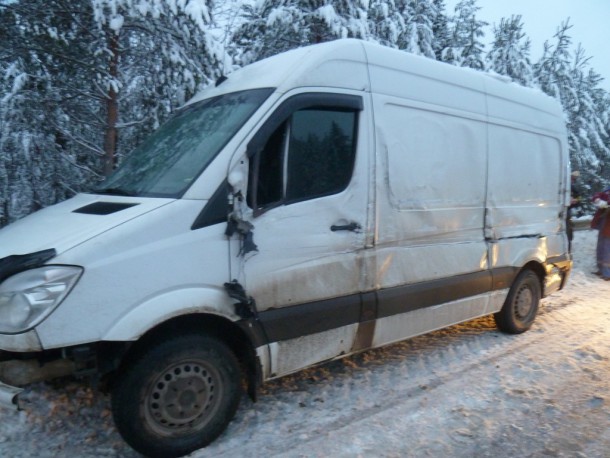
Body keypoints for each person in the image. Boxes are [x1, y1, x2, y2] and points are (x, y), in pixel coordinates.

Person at [591, 188, 610, 280]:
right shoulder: (607, 191)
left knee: (607, 249)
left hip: (608, 226)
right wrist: (598, 199)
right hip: (603, 223)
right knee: (600, 246)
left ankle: (607, 273)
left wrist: (607, 204)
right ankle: (600, 269)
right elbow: (597, 194)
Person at [567, 171, 582, 251]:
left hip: (567, 211)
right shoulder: (564, 184)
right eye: (572, 178)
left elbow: (579, 198)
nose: (572, 180)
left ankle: (568, 249)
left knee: (568, 231)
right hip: (563, 211)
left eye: (574, 179)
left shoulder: (573, 187)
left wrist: (575, 200)